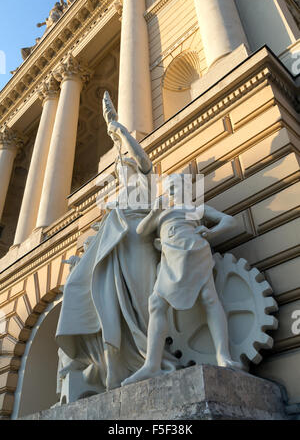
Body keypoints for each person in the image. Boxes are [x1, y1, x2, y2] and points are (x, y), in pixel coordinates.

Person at [56, 115, 177, 392]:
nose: (123, 172)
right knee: (103, 304)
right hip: (115, 249)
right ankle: (108, 364)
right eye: (121, 170)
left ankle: (150, 360)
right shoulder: (120, 198)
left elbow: (141, 158)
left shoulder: (145, 182)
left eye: (126, 167)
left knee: (142, 305)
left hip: (139, 244)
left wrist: (120, 131)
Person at [122, 174, 243, 386]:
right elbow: (141, 232)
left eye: (174, 187)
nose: (169, 192)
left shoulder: (195, 208)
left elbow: (230, 221)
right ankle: (151, 365)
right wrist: (153, 212)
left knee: (209, 299)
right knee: (156, 304)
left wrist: (211, 233)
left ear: (186, 188)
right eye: (167, 188)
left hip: (195, 253)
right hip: (170, 261)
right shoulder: (162, 213)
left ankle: (223, 356)